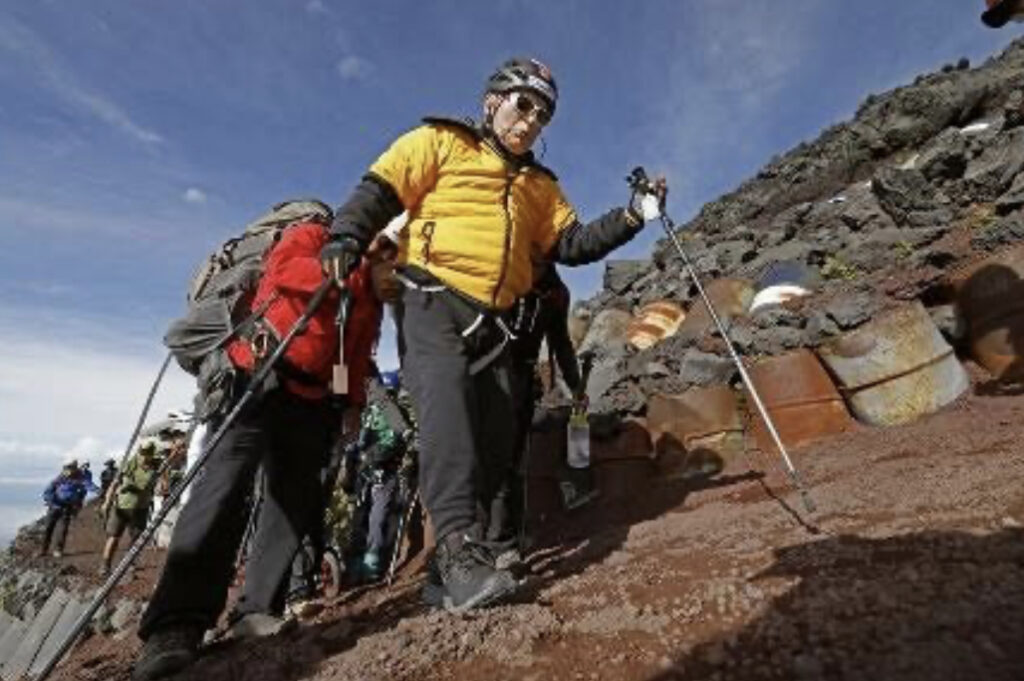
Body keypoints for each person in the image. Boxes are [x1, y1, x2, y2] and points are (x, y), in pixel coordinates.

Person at [322, 56, 667, 611]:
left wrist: (630, 217)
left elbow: (570, 244)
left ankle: (448, 569)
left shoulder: (541, 186)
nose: (530, 121)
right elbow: (381, 188)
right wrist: (345, 235)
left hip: (497, 322)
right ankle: (459, 550)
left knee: (495, 438)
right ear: (492, 102)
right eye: (522, 105)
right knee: (449, 417)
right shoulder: (441, 141)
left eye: (543, 115)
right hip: (430, 296)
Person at [132, 216, 383, 681]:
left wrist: (350, 403)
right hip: (256, 374)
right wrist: (349, 272)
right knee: (222, 488)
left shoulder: (372, 289)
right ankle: (175, 626)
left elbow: (356, 347)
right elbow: (286, 272)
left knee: (292, 500)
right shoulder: (313, 234)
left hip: (314, 400)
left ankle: (258, 609)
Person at [487, 264, 586, 551]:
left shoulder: (556, 293)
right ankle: (488, 540)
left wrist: (576, 386)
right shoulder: (503, 274)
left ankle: (510, 539)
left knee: (514, 459)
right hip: (491, 375)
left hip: (522, 380)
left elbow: (561, 343)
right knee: (492, 457)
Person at [342, 370, 414, 584]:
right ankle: (372, 562)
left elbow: (355, 445)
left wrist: (351, 473)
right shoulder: (391, 410)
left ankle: (355, 565)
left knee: (362, 515)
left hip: (365, 470)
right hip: (384, 470)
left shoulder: (366, 410)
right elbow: (397, 439)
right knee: (378, 515)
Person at [100, 442, 162, 576]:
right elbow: (115, 483)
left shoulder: (156, 465)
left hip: (141, 507)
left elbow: (167, 464)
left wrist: (175, 453)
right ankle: (105, 565)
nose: (144, 457)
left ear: (152, 454)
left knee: (136, 538)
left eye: (147, 454)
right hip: (123, 505)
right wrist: (107, 502)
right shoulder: (129, 463)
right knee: (114, 536)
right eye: (142, 453)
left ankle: (130, 563)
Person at [40, 460, 90, 558]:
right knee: (49, 528)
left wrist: (77, 503)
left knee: (62, 529)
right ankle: (44, 550)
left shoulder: (78, 479)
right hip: (55, 507)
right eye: (68, 467)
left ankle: (57, 550)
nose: (69, 470)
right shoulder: (59, 478)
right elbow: (48, 491)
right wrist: (51, 502)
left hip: (66, 507)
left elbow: (83, 491)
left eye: (71, 467)